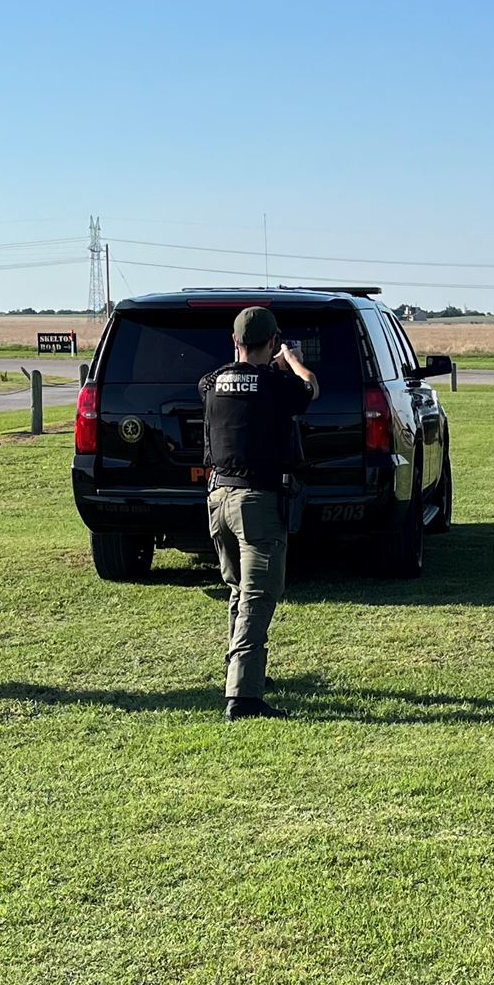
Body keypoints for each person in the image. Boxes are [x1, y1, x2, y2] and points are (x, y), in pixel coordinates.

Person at [201, 306, 318, 719]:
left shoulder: (212, 382)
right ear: (271, 343)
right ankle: (244, 697)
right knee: (258, 596)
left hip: (217, 501)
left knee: (237, 590)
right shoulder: (276, 383)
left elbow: (232, 381)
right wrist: (292, 361)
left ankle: (243, 671)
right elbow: (310, 389)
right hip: (257, 504)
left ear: (235, 342)